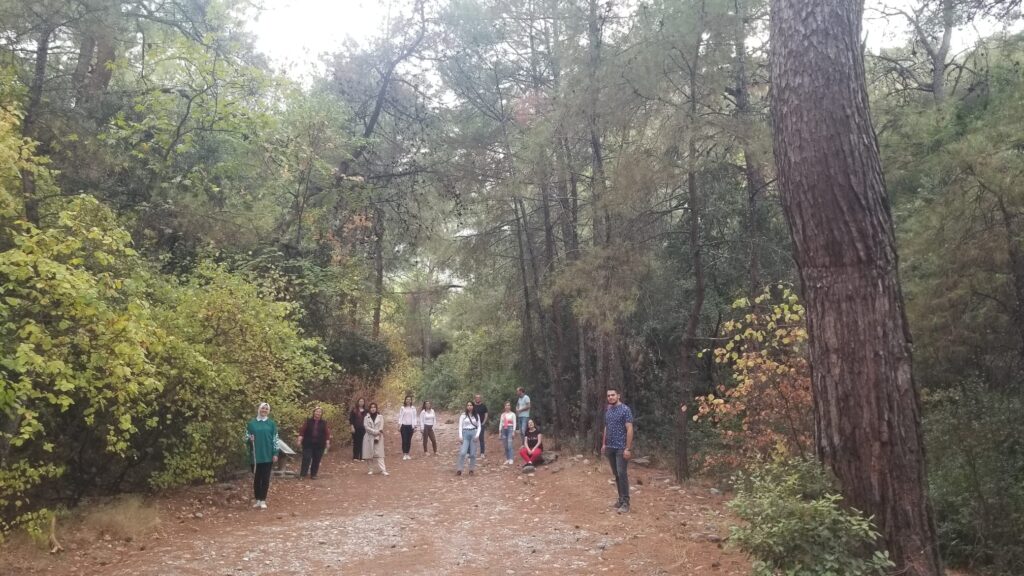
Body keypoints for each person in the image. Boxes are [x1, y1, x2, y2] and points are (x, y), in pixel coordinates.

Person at [601, 388, 634, 514]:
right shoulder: (608, 411)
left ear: (618, 396)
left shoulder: (625, 410)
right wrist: (604, 444)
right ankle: (620, 499)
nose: (610, 397)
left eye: (613, 395)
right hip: (610, 447)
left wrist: (627, 448)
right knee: (616, 474)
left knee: (622, 473)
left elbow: (630, 429)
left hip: (621, 447)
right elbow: (606, 427)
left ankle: (626, 502)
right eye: (608, 395)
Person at [245, 402, 278, 510]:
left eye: (266, 409)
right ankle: (257, 499)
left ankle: (263, 499)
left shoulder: (271, 424)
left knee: (265, 478)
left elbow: (275, 439)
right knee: (257, 478)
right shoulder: (252, 424)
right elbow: (245, 438)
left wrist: (275, 453)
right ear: (259, 409)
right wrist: (249, 439)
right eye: (262, 408)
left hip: (267, 455)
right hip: (255, 455)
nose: (264, 410)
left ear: (268, 411)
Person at [297, 406, 331, 479]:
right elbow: (302, 431)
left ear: (321, 414)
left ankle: (313, 474)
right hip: (308, 443)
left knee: (317, 459)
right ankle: (302, 474)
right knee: (306, 458)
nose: (318, 413)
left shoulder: (324, 422)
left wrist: (327, 442)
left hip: (319, 444)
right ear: (314, 412)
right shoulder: (308, 421)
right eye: (317, 411)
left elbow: (327, 433)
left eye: (320, 412)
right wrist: (299, 440)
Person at [363, 403, 388, 476]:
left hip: (378, 437)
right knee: (369, 454)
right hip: (368, 437)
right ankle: (370, 469)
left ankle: (383, 470)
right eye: (371, 407)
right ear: (369, 409)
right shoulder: (366, 417)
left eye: (374, 407)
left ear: (376, 408)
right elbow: (366, 427)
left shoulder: (380, 417)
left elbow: (381, 427)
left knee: (380, 454)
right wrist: (375, 432)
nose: (373, 409)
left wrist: (377, 434)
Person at [456, 401, 480, 476]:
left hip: (473, 433)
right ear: (466, 407)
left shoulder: (476, 415)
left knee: (472, 454)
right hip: (465, 433)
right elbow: (460, 426)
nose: (469, 406)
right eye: (468, 405)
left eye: (471, 405)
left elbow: (479, 426)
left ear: (473, 406)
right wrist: (460, 436)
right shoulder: (463, 415)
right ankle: (459, 469)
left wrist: (477, 435)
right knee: (463, 452)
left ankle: (471, 469)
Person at [398, 395, 417, 460]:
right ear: (405, 400)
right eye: (407, 399)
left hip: (410, 426)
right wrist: (399, 425)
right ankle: (404, 454)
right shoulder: (402, 408)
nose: (408, 400)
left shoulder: (413, 408)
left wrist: (415, 426)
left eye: (409, 399)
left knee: (409, 440)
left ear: (411, 401)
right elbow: (400, 417)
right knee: (404, 440)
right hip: (403, 426)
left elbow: (414, 417)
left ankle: (408, 453)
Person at [472, 394, 489, 458]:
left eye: (479, 398)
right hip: (474, 425)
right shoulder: (473, 406)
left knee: (481, 439)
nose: (477, 399)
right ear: (475, 398)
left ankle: (482, 453)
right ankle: (473, 452)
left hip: (481, 424)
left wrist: (484, 422)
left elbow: (486, 414)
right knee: (473, 439)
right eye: (476, 398)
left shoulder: (483, 406)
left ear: (480, 398)